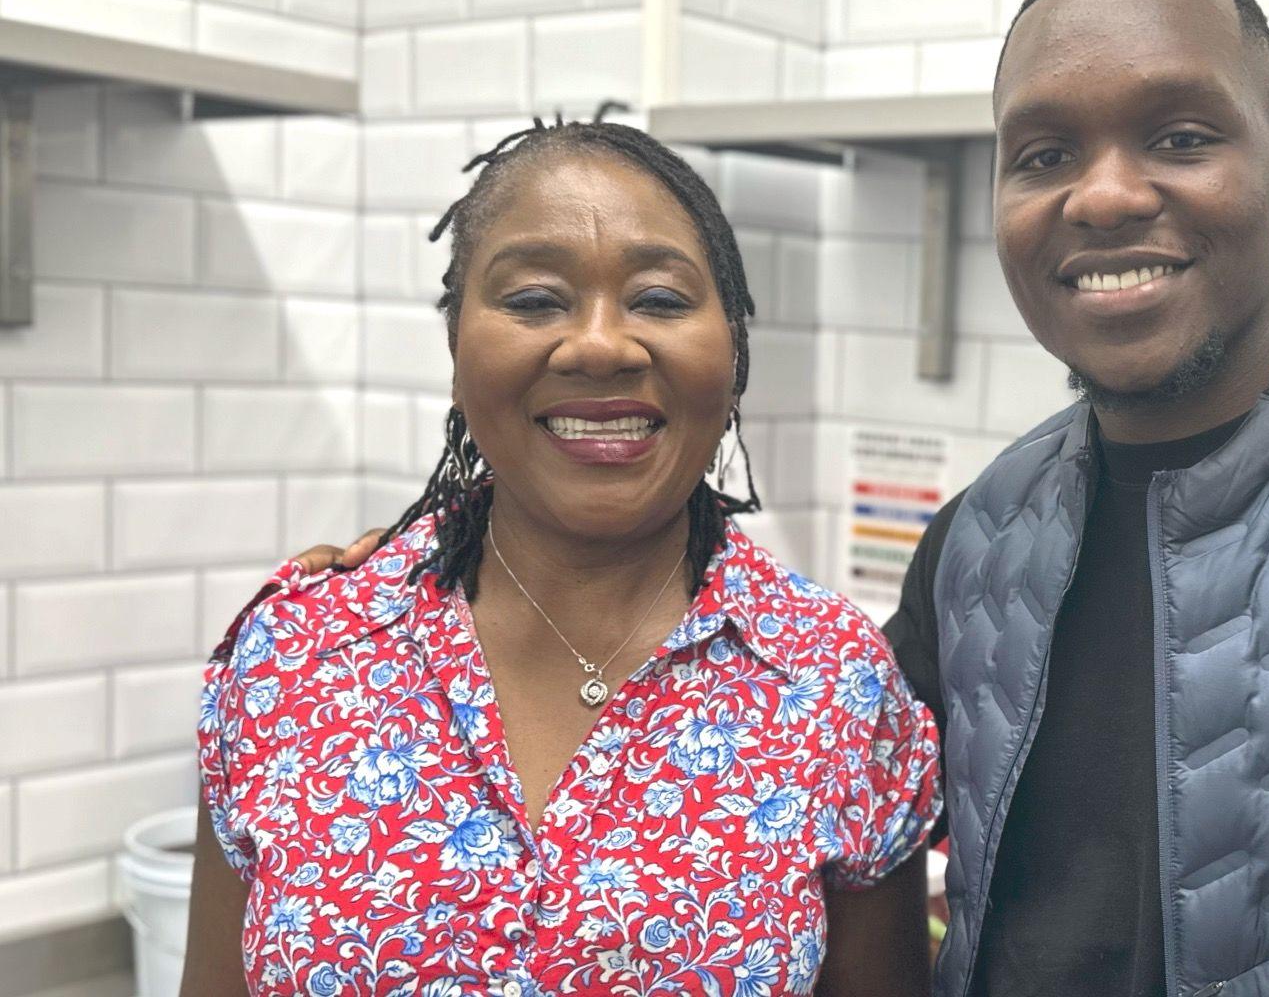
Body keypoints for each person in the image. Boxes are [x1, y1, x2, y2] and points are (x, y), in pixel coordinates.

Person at [299, 0, 1269, 997]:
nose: (1106, 196)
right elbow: (768, 750)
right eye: (1043, 155)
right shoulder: (979, 545)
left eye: (1176, 134)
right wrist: (457, 567)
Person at [181, 112, 942, 996]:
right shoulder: (299, 655)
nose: (597, 345)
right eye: (535, 300)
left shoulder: (835, 683)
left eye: (659, 299)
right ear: (456, 345)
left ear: (732, 349)